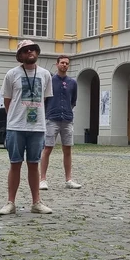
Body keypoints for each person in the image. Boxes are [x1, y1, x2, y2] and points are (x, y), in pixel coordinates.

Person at [0, 40, 53, 216]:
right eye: (25, 50)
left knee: (33, 164)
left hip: (37, 127)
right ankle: (10, 202)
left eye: (32, 49)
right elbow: (7, 100)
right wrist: (15, 117)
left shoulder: (45, 74)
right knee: (15, 164)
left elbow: (44, 99)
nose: (29, 52)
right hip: (16, 126)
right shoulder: (11, 74)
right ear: (20, 56)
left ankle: (36, 202)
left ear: (37, 52)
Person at [40, 55, 82, 191]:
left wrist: (67, 111)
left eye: (67, 63)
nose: (64, 65)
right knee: (47, 149)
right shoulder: (50, 81)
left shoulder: (72, 83)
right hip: (52, 118)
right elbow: (44, 100)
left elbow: (73, 101)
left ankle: (69, 179)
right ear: (56, 64)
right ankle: (43, 179)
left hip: (67, 119)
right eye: (62, 63)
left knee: (67, 149)